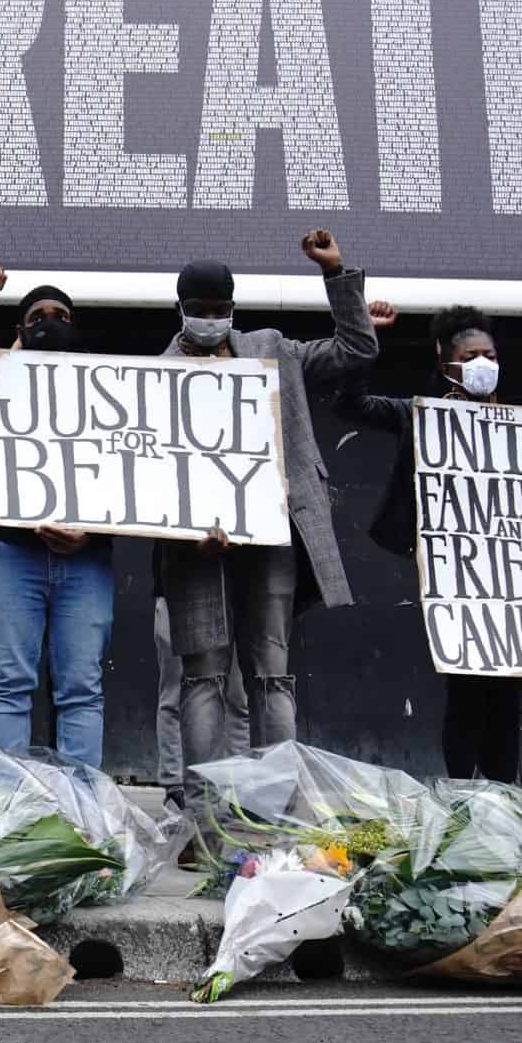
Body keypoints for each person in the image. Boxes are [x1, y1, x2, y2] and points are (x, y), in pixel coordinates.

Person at [154, 231, 378, 775]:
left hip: (272, 533)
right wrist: (188, 528)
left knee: (272, 672)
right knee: (204, 678)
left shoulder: (273, 349)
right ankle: (206, 818)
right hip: (197, 548)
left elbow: (357, 349)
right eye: (199, 310)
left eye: (221, 309)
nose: (211, 318)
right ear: (180, 310)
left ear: (234, 308)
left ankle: (276, 811)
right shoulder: (151, 376)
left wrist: (334, 272)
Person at [334, 302, 522, 790]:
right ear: (444, 359)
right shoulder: (418, 415)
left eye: (489, 354)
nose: (483, 363)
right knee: (471, 696)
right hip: (462, 579)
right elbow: (351, 405)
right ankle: (470, 796)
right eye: (471, 356)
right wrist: (363, 337)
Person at [0, 268, 114, 770]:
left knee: (82, 685)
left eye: (61, 317)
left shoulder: (109, 392)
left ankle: (82, 805)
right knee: (9, 682)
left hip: (87, 559)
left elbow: (135, 479)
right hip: (11, 555)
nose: (50, 323)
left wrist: (91, 532)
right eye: (37, 317)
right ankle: (10, 806)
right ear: (19, 330)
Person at [155, 593, 251, 808]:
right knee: (177, 695)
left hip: (236, 587)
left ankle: (236, 790)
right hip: (180, 588)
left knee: (238, 700)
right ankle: (177, 787)